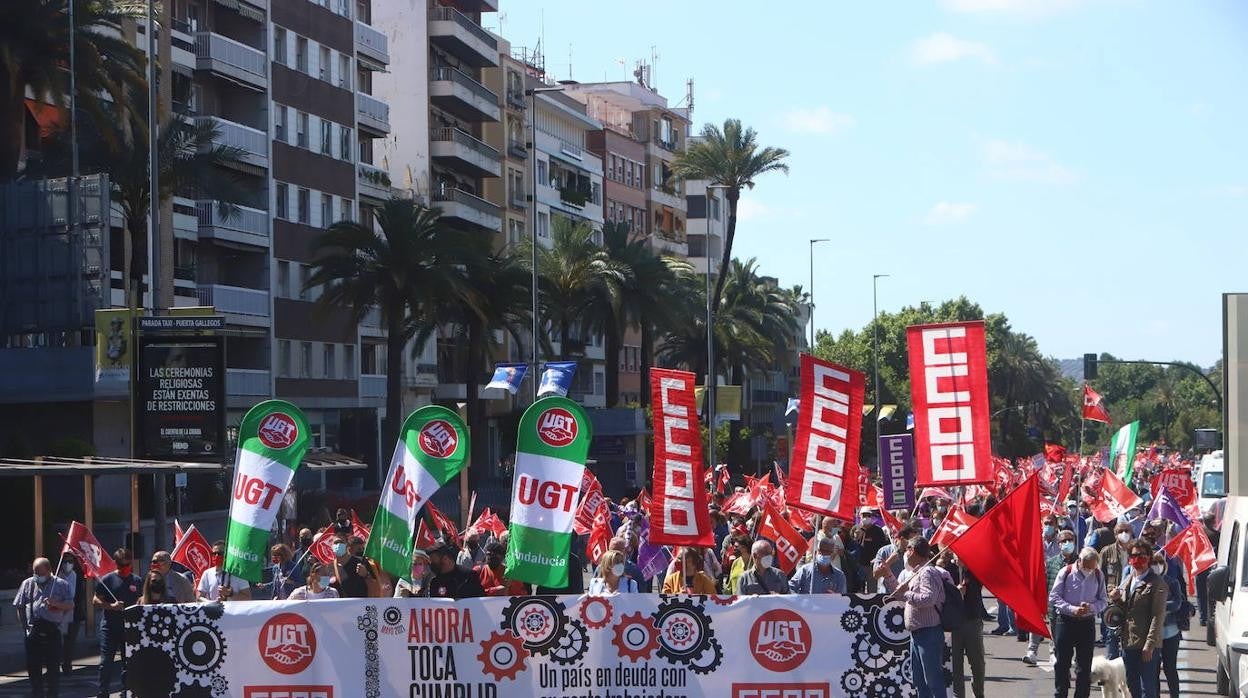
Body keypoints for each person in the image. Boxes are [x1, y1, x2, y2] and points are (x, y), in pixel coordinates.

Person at [1109, 539, 1167, 698]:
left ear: (1149, 558)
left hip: (1146, 645)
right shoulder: (1129, 579)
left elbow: (1158, 615)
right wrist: (1116, 599)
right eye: (1134, 555)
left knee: (1148, 688)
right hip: (1129, 641)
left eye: (1142, 555)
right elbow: (1125, 609)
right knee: (1130, 686)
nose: (1138, 559)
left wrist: (1149, 644)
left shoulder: (1156, 583)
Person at [1049, 546, 1108, 698]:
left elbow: (1103, 600)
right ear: (1080, 561)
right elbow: (1054, 597)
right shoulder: (1066, 572)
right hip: (1066, 622)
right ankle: (1060, 694)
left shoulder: (1098, 574)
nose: (1090, 570)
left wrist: (1092, 607)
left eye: (1092, 566)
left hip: (1086, 623)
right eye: (1087, 566)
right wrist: (1072, 609)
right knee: (1062, 663)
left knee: (1084, 666)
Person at [894, 537, 948, 698]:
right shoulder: (917, 572)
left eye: (907, 549)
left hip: (928, 632)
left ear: (913, 551)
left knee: (933, 680)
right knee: (919, 681)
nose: (905, 553)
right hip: (918, 633)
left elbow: (928, 598)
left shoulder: (927, 572)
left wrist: (906, 593)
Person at [14, 557, 73, 698]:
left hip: (52, 630)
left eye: (39, 572)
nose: (37, 575)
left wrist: (56, 604)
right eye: (34, 572)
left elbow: (70, 605)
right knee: (34, 669)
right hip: (33, 630)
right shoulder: (27, 584)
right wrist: (25, 627)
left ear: (48, 570)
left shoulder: (61, 584)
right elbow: (20, 606)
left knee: (53, 669)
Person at [1025, 528, 1080, 666]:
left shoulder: (1080, 563)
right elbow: (1045, 584)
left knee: (1068, 637)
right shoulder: (1051, 563)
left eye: (1070, 540)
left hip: (1073, 607)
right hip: (1054, 606)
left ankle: (1061, 656)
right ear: (1059, 543)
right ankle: (1043, 653)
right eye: (1063, 541)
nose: (1067, 543)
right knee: (1054, 630)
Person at [95, 549, 141, 698]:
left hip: (129, 627)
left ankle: (126, 691)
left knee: (128, 662)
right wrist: (111, 606)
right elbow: (96, 600)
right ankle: (103, 692)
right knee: (105, 662)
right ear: (116, 563)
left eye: (127, 564)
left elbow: (143, 600)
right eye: (121, 565)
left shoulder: (137, 581)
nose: (125, 568)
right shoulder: (107, 580)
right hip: (110, 626)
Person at [941, 554, 986, 698]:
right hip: (953, 624)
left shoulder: (975, 570)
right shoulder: (948, 570)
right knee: (956, 666)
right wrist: (956, 591)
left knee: (977, 663)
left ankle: (979, 693)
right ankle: (958, 695)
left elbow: (978, 586)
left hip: (972, 620)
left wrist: (966, 568)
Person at [1099, 522, 1136, 658]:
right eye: (1121, 531)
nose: (1124, 534)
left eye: (1127, 530)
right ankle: (1111, 662)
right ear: (1115, 534)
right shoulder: (1106, 551)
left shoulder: (1137, 551)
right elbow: (1099, 577)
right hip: (1112, 599)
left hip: (1132, 598)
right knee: (1111, 635)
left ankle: (1127, 666)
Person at [1152, 552, 1184, 698]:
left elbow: (1177, 603)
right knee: (1153, 670)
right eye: (1153, 563)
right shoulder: (1144, 583)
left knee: (1170, 668)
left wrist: (1160, 606)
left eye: (1159, 563)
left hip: (1171, 633)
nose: (1156, 566)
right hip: (1151, 635)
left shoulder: (1172, 582)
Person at [57, 555, 84, 675]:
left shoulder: (77, 576)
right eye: (65, 561)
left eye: (70, 561)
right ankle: (54, 665)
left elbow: (80, 596)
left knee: (70, 641)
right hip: (57, 613)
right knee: (56, 641)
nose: (67, 564)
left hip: (74, 613)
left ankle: (67, 665)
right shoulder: (55, 577)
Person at [329, 533, 378, 598]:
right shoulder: (329, 567)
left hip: (361, 605)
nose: (338, 545)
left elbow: (377, 585)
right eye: (335, 543)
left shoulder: (361, 562)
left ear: (347, 545)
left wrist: (366, 575)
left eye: (341, 542)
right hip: (341, 606)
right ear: (331, 546)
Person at [873, 525, 918, 594]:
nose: (915, 543)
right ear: (902, 539)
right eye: (912, 540)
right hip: (887, 596)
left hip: (908, 596)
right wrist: (890, 561)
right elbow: (876, 575)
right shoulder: (884, 551)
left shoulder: (916, 553)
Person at [1197, 512, 1220, 626]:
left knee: (1201, 593)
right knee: (1211, 593)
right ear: (1213, 521)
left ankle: (1203, 617)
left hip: (1200, 566)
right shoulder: (1217, 535)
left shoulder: (1199, 534)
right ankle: (1211, 615)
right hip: (1212, 566)